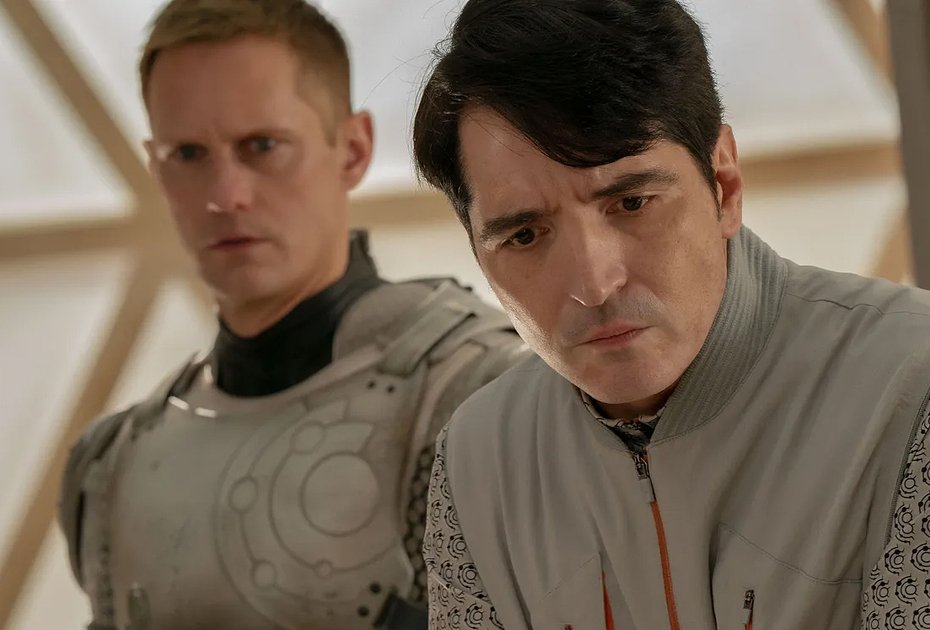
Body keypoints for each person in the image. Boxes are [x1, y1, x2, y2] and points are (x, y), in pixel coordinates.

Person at [412, 0, 930, 627]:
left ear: (724, 185)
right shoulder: (476, 462)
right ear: (477, 251)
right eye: (524, 235)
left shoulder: (911, 388)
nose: (594, 284)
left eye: (631, 202)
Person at [58, 2, 527, 629]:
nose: (225, 196)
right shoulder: (111, 464)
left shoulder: (479, 397)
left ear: (353, 149)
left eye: (262, 146)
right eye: (188, 154)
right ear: (156, 169)